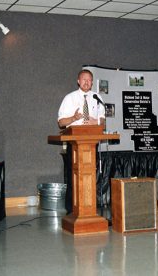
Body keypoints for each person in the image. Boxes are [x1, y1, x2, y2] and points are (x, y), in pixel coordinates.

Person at [58, 69, 105, 214]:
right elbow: (61, 122)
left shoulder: (97, 98)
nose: (87, 82)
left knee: (90, 175)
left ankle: (90, 208)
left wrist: (95, 121)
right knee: (74, 176)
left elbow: (102, 121)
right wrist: (73, 118)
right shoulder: (69, 98)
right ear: (78, 81)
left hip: (90, 143)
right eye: (84, 79)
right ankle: (72, 209)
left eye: (89, 80)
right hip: (74, 144)